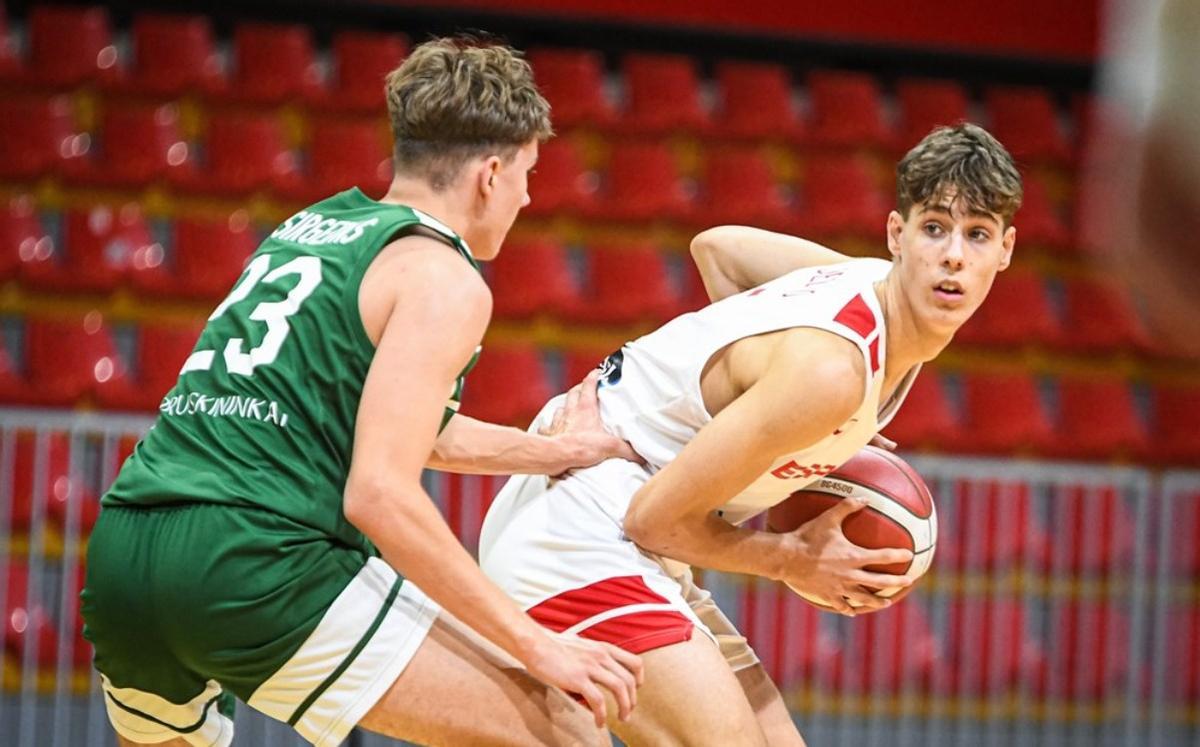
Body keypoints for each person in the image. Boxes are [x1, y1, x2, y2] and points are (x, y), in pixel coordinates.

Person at [80, 37, 644, 747]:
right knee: (562, 720)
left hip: (128, 546)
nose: (530, 195)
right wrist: (539, 644)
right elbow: (379, 492)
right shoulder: (443, 275)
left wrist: (553, 451)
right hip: (254, 555)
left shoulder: (309, 228)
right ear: (491, 174)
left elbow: (410, 425)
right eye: (529, 172)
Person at [479, 123, 1022, 746]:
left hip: (626, 528)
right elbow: (653, 521)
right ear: (897, 234)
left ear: (1004, 250)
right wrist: (794, 559)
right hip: (578, 527)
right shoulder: (831, 372)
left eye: (976, 235)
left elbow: (719, 248)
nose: (953, 254)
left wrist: (760, 396)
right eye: (933, 228)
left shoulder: (869, 296)